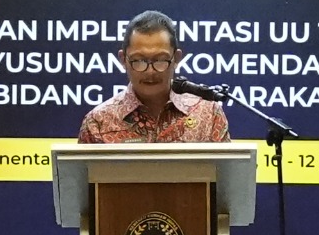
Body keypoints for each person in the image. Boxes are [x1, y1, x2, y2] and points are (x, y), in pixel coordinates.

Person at [78, 10, 231, 143]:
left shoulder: (208, 114)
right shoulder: (99, 122)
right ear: (123, 60)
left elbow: (225, 168)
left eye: (160, 60)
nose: (150, 71)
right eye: (139, 60)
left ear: (176, 59)